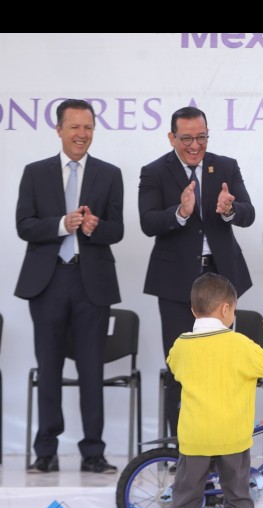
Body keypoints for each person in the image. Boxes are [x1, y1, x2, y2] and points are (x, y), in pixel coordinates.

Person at [15, 99, 124, 475]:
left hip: (91, 282)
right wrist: (63, 224)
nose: (82, 134)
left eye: (88, 127)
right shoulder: (35, 173)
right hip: (47, 282)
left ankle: (93, 452)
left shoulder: (109, 174)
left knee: (92, 369)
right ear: (59, 130)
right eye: (75, 127)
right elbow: (24, 225)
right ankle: (45, 451)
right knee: (49, 368)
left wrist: (96, 228)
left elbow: (117, 230)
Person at [139, 106, 255, 437]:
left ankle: (222, 443)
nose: (195, 145)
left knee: (222, 368)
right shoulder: (154, 172)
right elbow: (148, 222)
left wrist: (229, 209)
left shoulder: (226, 166)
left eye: (201, 137)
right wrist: (179, 211)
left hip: (220, 282)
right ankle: (182, 446)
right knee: (181, 367)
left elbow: (248, 213)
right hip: (176, 283)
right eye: (187, 138)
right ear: (172, 137)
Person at [165, 272, 263, 508]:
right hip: (232, 436)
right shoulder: (240, 345)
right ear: (225, 309)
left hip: (195, 437)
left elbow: (174, 367)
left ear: (194, 310)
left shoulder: (181, 345)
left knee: (185, 497)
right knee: (238, 496)